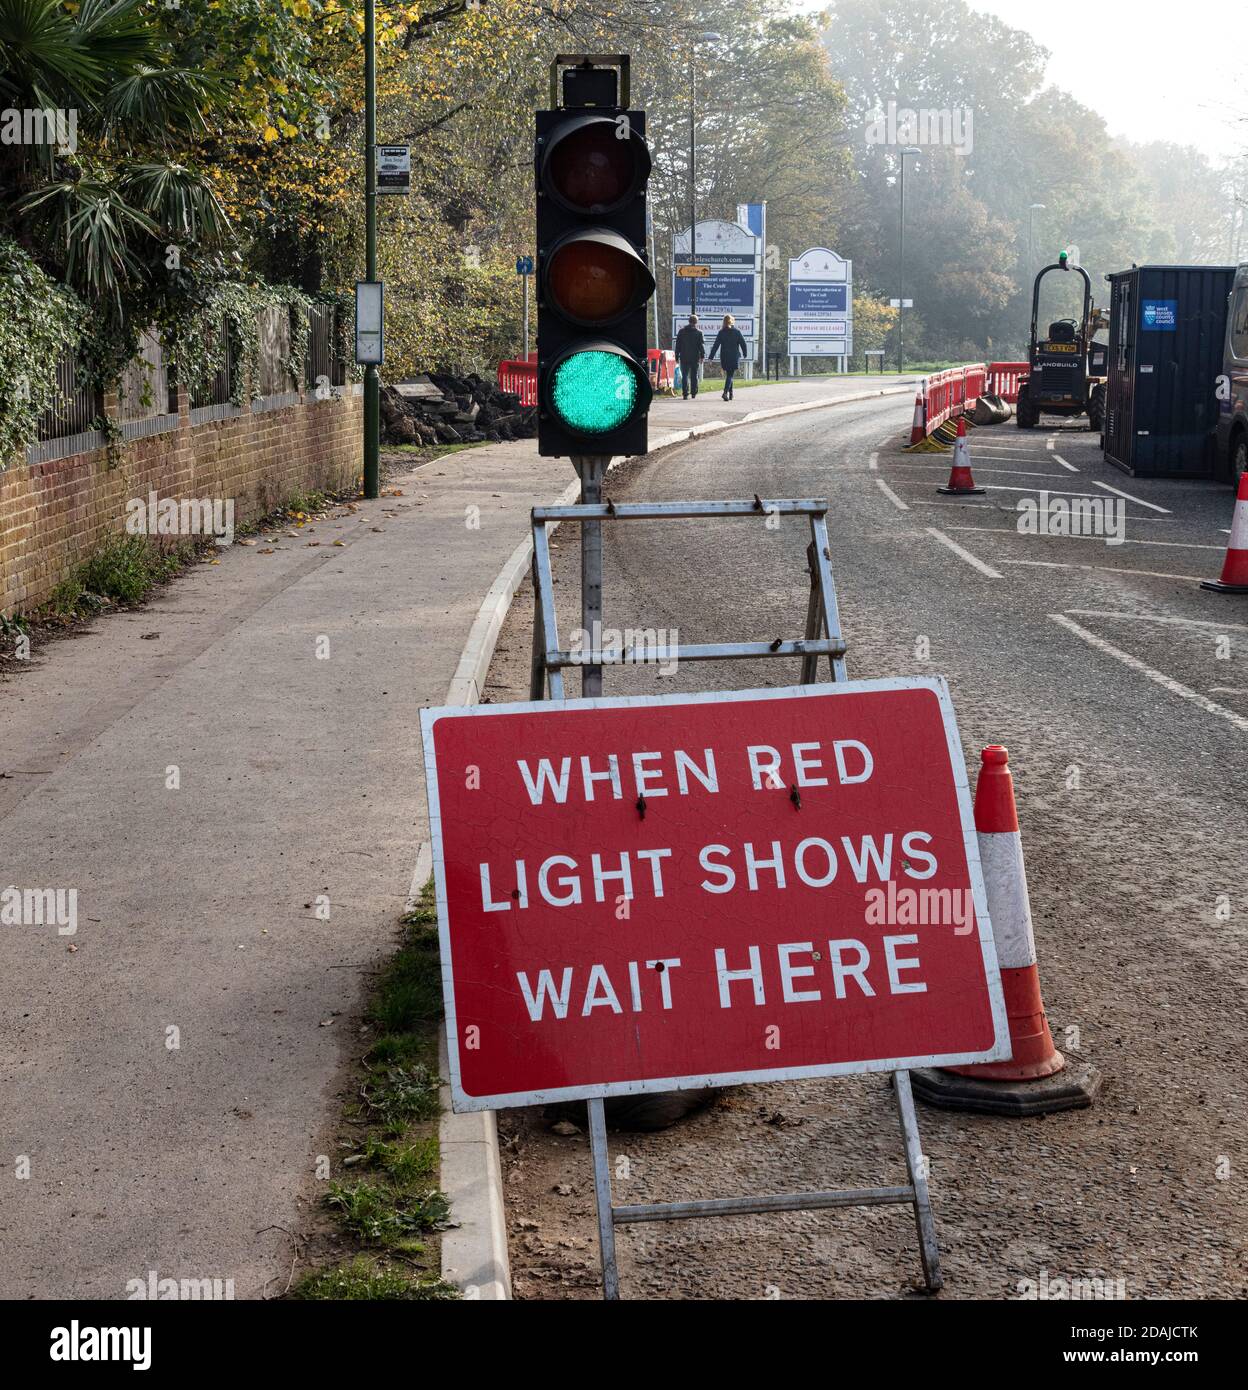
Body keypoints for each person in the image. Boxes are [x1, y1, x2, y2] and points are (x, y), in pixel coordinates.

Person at [708, 314, 749, 401]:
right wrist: (745, 353)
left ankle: (731, 394)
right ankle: (725, 392)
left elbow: (716, 345)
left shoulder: (721, 332)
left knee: (729, 375)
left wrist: (711, 357)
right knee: (730, 375)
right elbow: (743, 343)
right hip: (734, 356)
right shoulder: (737, 332)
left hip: (725, 356)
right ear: (732, 321)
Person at [674, 314, 705, 399]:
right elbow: (701, 346)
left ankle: (685, 393)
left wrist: (676, 356)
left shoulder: (681, 332)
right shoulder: (699, 333)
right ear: (696, 322)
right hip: (695, 357)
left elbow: (678, 345)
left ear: (689, 321)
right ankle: (694, 393)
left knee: (685, 375)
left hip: (684, 356)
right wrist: (702, 356)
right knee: (694, 375)